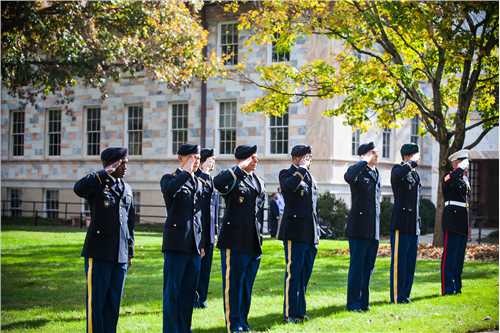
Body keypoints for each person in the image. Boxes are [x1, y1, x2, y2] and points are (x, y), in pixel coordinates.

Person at [74, 147, 135, 333]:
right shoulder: (98, 183)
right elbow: (78, 188)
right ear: (112, 164)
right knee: (96, 303)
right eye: (122, 163)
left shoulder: (126, 188)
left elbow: (130, 223)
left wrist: (130, 251)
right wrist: (104, 172)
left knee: (113, 303)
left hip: (120, 255)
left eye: (126, 163)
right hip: (99, 253)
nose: (126, 167)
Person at [214, 144, 266, 333]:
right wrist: (239, 167)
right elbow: (217, 183)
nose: (256, 161)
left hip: (253, 241)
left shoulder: (258, 181)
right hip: (234, 241)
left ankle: (243, 321)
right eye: (252, 157)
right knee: (233, 285)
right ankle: (233, 323)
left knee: (246, 286)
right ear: (243, 159)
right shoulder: (234, 177)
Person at [160, 144, 205, 333]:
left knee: (188, 293)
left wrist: (202, 243)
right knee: (173, 293)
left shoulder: (199, 182)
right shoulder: (169, 179)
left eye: (198, 158)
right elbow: (170, 191)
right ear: (181, 158)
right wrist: (186, 171)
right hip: (176, 245)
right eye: (193, 157)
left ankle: (185, 329)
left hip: (193, 247)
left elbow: (200, 216)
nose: (197, 161)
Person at [278, 144, 320, 323]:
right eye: (306, 157)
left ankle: (299, 311)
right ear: (296, 158)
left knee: (304, 274)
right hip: (294, 233)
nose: (309, 161)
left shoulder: (309, 176)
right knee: (293, 273)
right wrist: (301, 169)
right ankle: (289, 313)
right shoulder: (286, 174)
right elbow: (289, 188)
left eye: (310, 158)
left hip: (310, 233)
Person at [344, 141, 381, 312]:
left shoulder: (376, 173)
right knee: (357, 267)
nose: (376, 154)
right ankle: (353, 303)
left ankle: (364, 302)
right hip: (359, 228)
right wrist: (363, 161)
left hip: (373, 229)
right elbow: (348, 176)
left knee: (368, 267)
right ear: (365, 155)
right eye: (373, 152)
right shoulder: (358, 171)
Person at [390, 143, 421, 304]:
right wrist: (411, 163)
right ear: (408, 156)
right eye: (416, 154)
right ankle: (396, 296)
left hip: (413, 225)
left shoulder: (415, 175)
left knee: (410, 263)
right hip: (401, 224)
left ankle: (405, 295)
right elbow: (398, 176)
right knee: (399, 263)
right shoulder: (398, 169)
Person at [441, 149, 471, 295]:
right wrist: (459, 169)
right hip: (451, 220)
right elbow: (450, 181)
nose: (466, 166)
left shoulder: (464, 180)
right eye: (462, 162)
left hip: (462, 221)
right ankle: (447, 288)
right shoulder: (448, 177)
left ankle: (457, 286)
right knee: (450, 256)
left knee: (459, 257)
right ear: (455, 163)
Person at [194, 148, 220, 309]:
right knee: (198, 267)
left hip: (210, 231)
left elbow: (215, 209)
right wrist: (202, 172)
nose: (213, 162)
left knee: (206, 268)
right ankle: (194, 298)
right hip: (200, 231)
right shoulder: (197, 179)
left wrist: (215, 231)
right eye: (211, 159)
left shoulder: (211, 180)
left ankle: (202, 297)